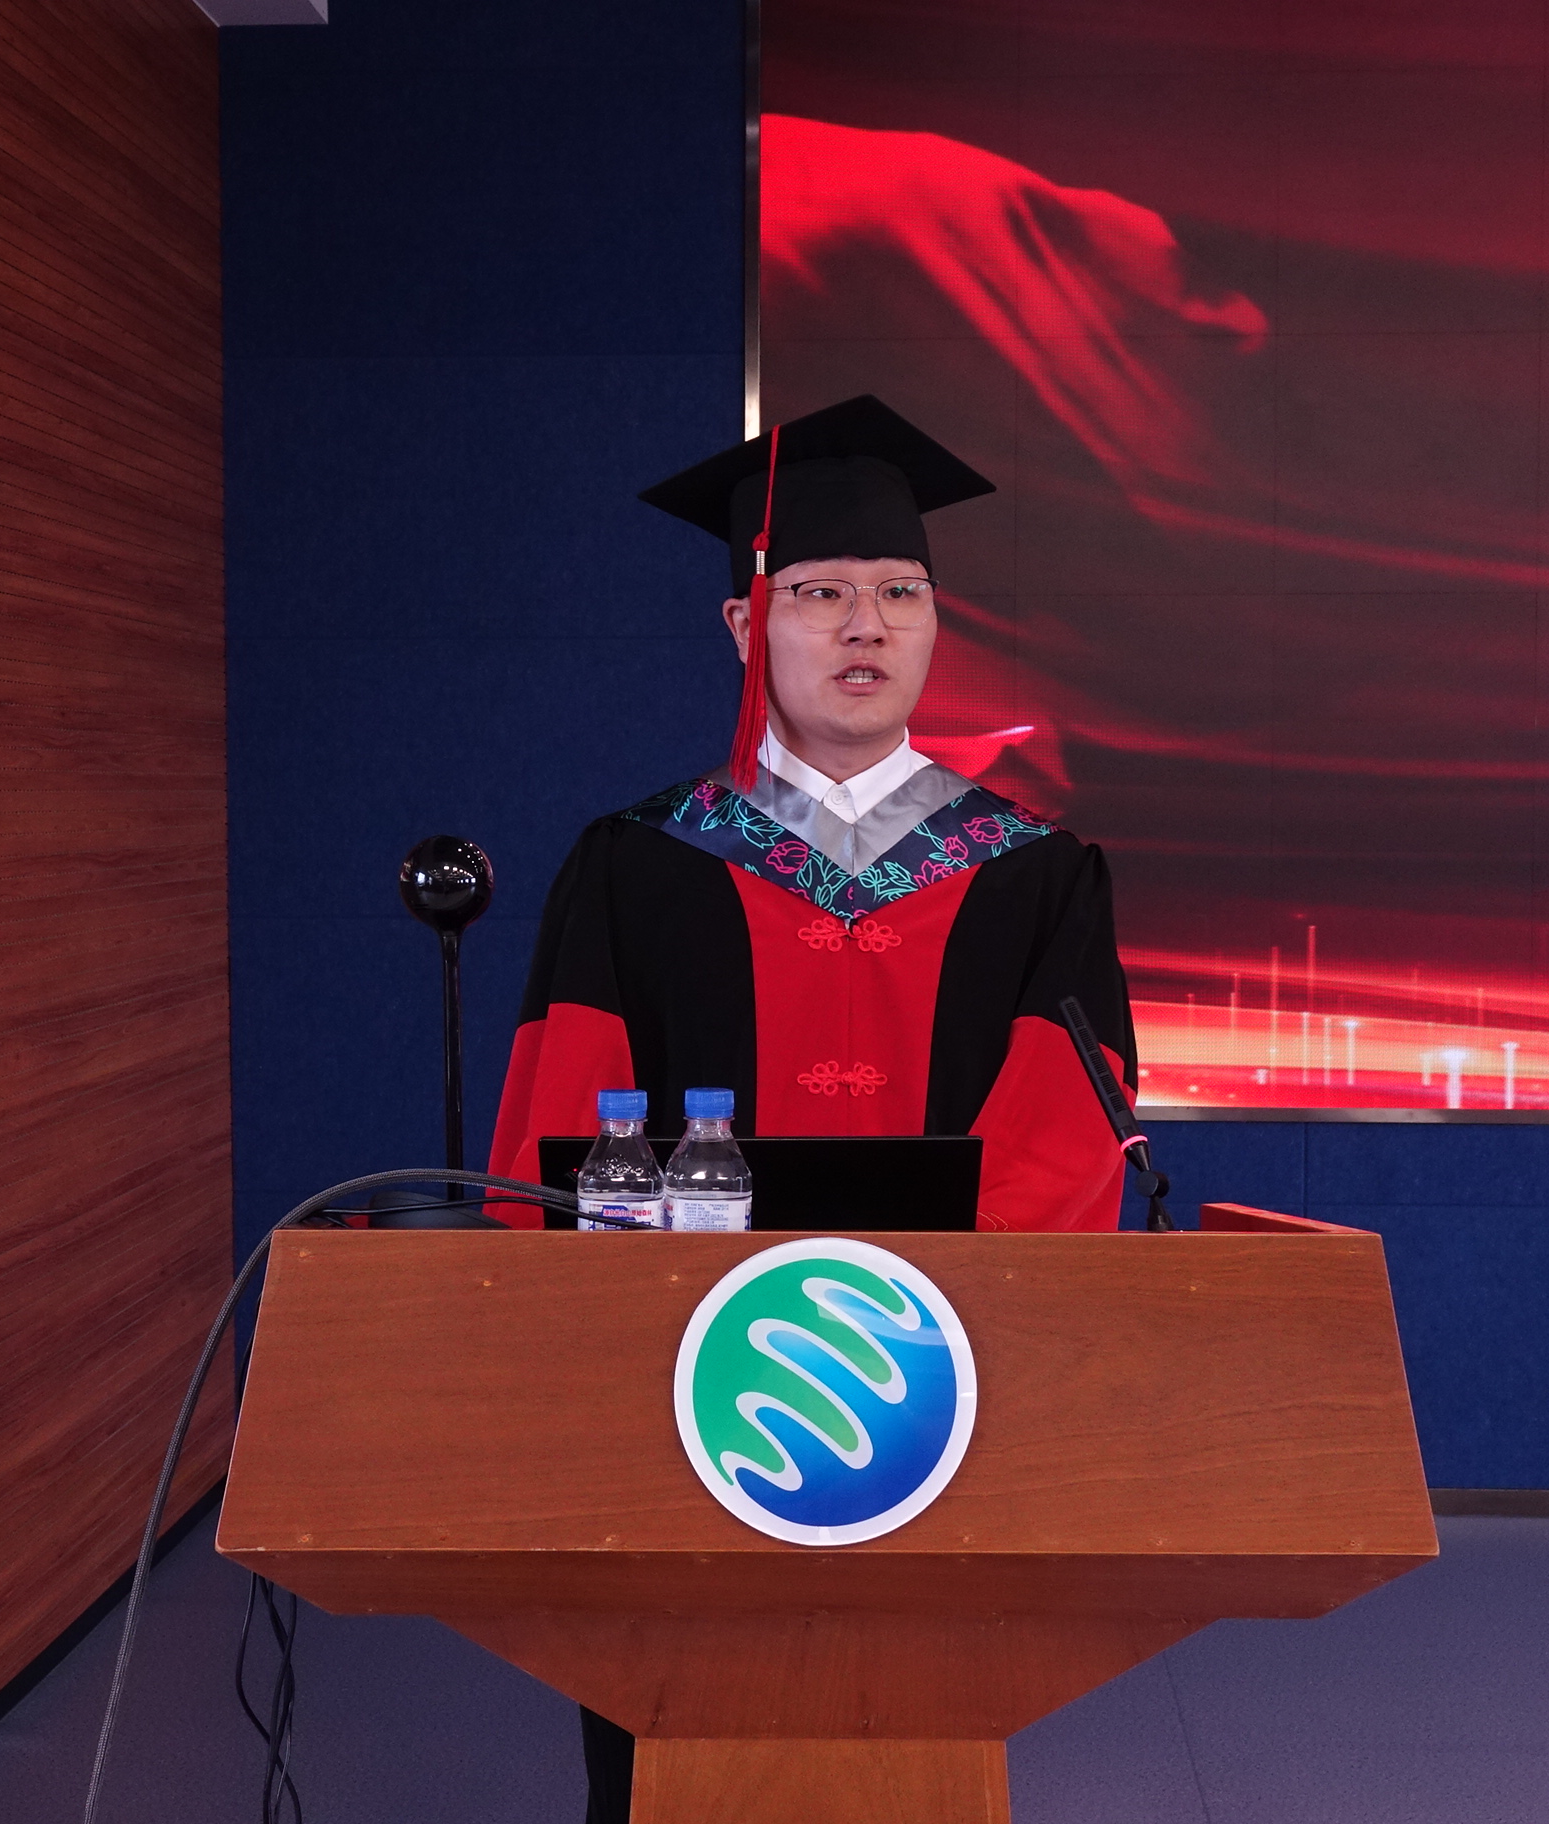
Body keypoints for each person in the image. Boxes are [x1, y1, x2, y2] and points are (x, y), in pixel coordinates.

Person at [482, 396, 1140, 1824]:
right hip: (682, 1400)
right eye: (821, 592)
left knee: (916, 1727)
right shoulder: (639, 865)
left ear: (936, 625)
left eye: (900, 593)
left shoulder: (1032, 874)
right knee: (673, 1736)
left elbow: (1066, 1145)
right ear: (746, 626)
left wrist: (927, 1337)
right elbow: (559, 1130)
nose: (865, 625)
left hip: (938, 1400)